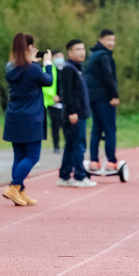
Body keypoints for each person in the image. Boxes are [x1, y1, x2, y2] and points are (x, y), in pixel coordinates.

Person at [2, 33, 54, 206]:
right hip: (31, 118)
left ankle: (20, 191)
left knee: (19, 156)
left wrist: (32, 62)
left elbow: (24, 71)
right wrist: (47, 64)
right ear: (30, 48)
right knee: (32, 156)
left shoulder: (10, 67)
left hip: (13, 117)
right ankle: (14, 186)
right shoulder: (33, 69)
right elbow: (48, 81)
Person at [57, 39, 96, 188]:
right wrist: (72, 112)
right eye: (78, 49)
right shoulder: (68, 69)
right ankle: (80, 177)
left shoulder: (78, 69)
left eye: (83, 49)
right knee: (78, 146)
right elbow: (66, 93)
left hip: (80, 113)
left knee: (71, 145)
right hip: (74, 115)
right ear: (70, 52)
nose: (82, 52)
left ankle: (64, 176)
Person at [86, 29, 119, 172]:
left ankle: (94, 160)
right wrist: (114, 95)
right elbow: (108, 77)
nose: (111, 43)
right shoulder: (104, 56)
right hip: (105, 98)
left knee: (96, 129)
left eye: (113, 40)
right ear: (101, 40)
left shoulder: (93, 55)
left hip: (93, 96)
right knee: (109, 129)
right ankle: (111, 161)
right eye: (108, 40)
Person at [43, 49, 64, 154]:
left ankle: (66, 144)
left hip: (64, 102)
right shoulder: (49, 69)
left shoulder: (65, 69)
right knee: (55, 124)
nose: (60, 59)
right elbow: (44, 85)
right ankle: (56, 145)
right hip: (53, 102)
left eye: (61, 56)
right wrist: (53, 95)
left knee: (64, 124)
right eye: (58, 56)